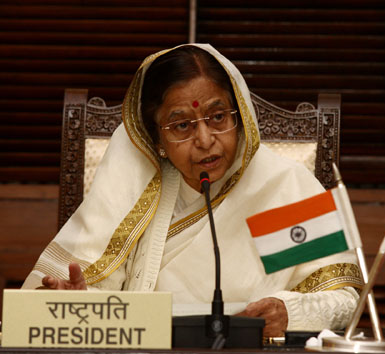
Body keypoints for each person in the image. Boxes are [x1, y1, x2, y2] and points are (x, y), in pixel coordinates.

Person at [22, 44, 363, 337]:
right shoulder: (132, 189)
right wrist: (77, 304)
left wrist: (290, 312)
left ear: (239, 115)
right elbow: (93, 300)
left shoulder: (285, 187)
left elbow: (346, 300)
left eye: (218, 116)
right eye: (181, 125)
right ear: (156, 139)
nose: (204, 140)